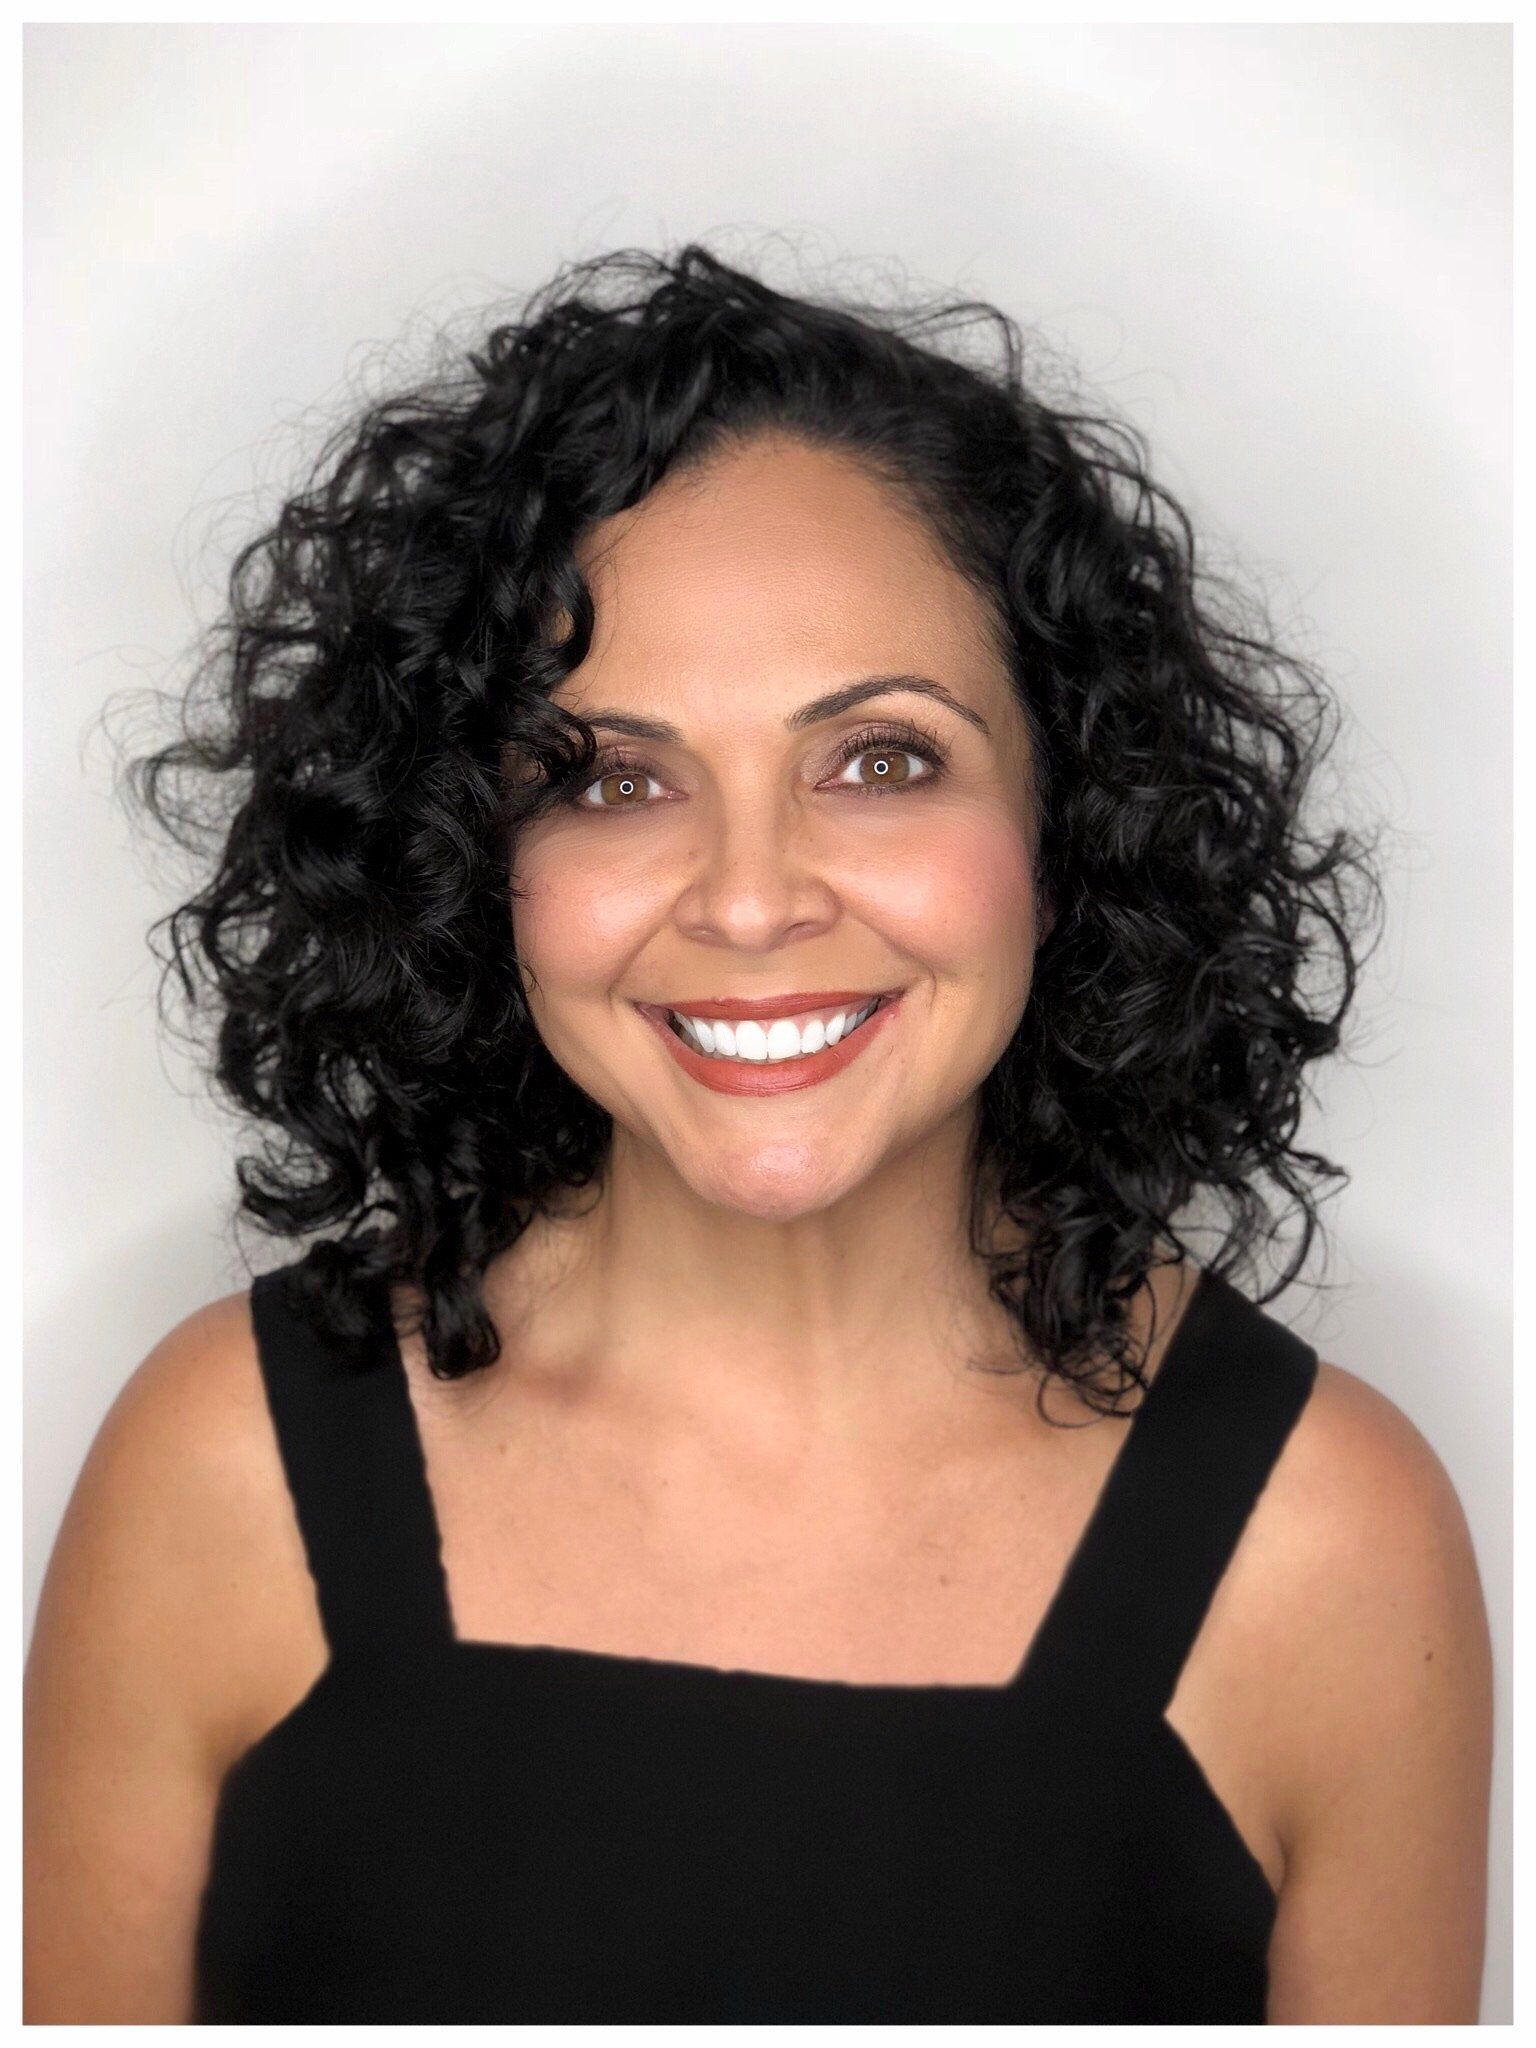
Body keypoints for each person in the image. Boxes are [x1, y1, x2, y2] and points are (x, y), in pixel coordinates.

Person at [24, 244, 1492, 2022]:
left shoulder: (1332, 1540)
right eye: (612, 777)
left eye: (879, 760)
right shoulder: (221, 1467)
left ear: (1069, 824)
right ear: (471, 857)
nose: (746, 898)